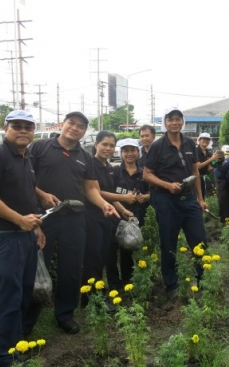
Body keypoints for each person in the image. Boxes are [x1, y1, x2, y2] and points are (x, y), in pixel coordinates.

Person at [26, 111, 119, 335]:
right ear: (63, 124)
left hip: (75, 218)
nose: (74, 128)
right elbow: (25, 179)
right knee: (37, 268)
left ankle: (65, 315)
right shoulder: (40, 148)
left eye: (80, 126)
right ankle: (26, 322)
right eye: (71, 123)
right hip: (44, 218)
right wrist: (41, 194)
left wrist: (102, 204)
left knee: (71, 270)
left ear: (84, 132)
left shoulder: (85, 157)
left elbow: (90, 188)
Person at [0, 110, 46, 367]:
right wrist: (19, 220)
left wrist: (35, 225)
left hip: (25, 237)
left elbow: (24, 192)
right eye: (17, 126)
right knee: (8, 301)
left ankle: (16, 348)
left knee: (23, 296)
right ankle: (5, 359)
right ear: (5, 128)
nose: (23, 130)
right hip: (4, 240)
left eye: (28, 126)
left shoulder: (25, 158)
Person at [143, 107, 208, 299]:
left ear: (182, 122)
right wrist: (167, 185)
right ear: (165, 122)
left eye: (178, 119)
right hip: (166, 201)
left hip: (189, 201)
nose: (174, 123)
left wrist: (200, 199)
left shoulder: (190, 143)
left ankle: (203, 280)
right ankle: (171, 285)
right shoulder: (157, 146)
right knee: (168, 244)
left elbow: (195, 172)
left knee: (199, 240)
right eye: (170, 119)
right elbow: (146, 174)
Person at [81, 131, 132, 309]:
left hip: (107, 217)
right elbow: (96, 192)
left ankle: (89, 297)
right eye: (104, 144)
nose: (108, 148)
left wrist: (123, 210)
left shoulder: (109, 167)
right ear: (96, 145)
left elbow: (111, 196)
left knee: (103, 257)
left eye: (111, 145)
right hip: (92, 216)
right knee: (93, 259)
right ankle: (94, 298)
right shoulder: (91, 165)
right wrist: (125, 198)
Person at [108, 138, 150, 289]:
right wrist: (123, 210)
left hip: (139, 215)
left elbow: (153, 193)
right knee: (120, 248)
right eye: (126, 151)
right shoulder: (114, 172)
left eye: (133, 150)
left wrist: (145, 197)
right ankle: (124, 281)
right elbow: (109, 195)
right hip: (118, 216)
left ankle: (139, 279)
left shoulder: (144, 173)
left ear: (138, 152)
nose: (129, 154)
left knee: (137, 246)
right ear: (121, 153)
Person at [196, 132, 218, 199]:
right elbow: (198, 166)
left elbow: (208, 169)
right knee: (196, 197)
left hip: (202, 178)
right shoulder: (195, 151)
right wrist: (211, 159)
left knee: (203, 196)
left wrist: (217, 164)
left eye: (207, 139)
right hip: (195, 178)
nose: (206, 141)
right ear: (199, 140)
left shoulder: (208, 153)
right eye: (204, 139)